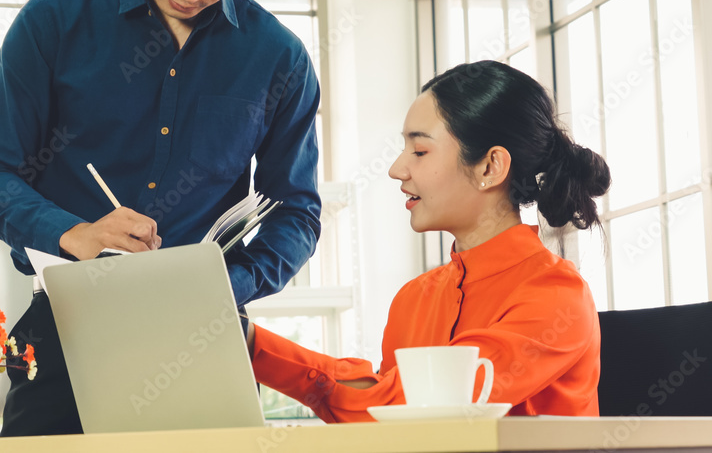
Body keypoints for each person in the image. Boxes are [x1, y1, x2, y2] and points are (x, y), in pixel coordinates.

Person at [0, 0, 321, 437]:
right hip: (64, 329)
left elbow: (296, 210)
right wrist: (74, 233)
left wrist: (235, 282)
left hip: (207, 331)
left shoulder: (280, 58)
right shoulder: (53, 24)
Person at [248, 60, 611, 421]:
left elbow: (420, 409)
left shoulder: (556, 296)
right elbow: (385, 401)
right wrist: (247, 344)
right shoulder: (413, 299)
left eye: (419, 151)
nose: (396, 169)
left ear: (490, 167)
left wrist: (256, 347)